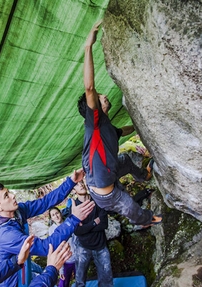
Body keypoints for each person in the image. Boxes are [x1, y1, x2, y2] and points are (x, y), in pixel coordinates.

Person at [78, 20, 161, 227]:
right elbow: (89, 87)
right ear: (95, 105)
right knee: (131, 208)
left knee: (124, 159)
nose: (103, 95)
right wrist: (88, 47)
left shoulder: (105, 126)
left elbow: (122, 131)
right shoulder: (94, 124)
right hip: (106, 193)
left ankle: (144, 175)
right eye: (100, 96)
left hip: (110, 173)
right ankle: (146, 221)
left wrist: (139, 125)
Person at [0, 169, 96, 287]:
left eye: (9, 192)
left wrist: (71, 182)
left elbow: (45, 202)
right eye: (6, 196)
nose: (12, 195)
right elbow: (46, 246)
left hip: (24, 271)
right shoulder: (5, 235)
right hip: (15, 283)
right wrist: (73, 220)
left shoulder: (17, 212)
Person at [72, 181, 113, 287]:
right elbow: (76, 231)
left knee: (106, 279)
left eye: (81, 182)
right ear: (73, 190)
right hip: (82, 247)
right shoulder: (74, 207)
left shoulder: (97, 201)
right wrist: (94, 223)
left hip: (100, 245)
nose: (81, 185)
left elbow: (104, 224)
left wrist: (85, 228)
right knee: (80, 280)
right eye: (77, 184)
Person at [48, 207, 76, 287]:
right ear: (51, 218)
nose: (56, 216)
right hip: (65, 260)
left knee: (81, 280)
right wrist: (60, 270)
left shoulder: (69, 224)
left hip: (77, 258)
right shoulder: (52, 230)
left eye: (57, 213)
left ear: (60, 213)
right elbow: (54, 249)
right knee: (63, 283)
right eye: (53, 215)